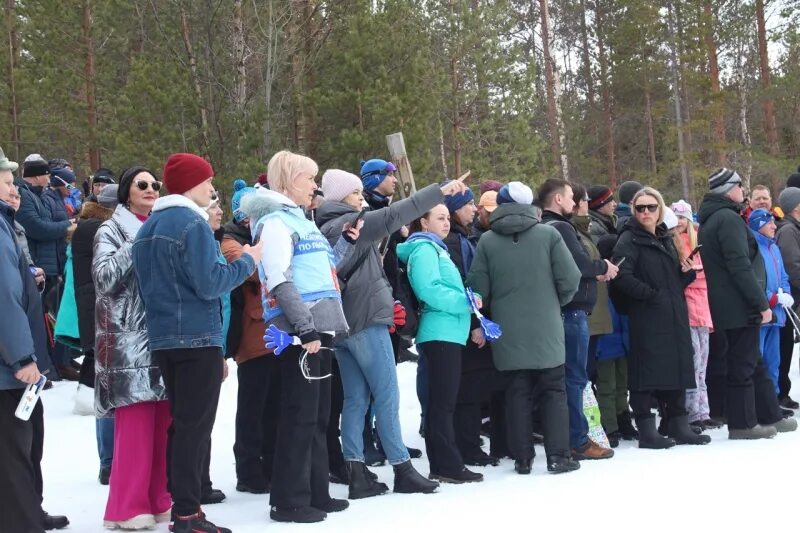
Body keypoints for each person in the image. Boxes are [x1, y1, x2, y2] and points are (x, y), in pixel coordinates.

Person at [133, 153, 261, 533]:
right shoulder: (192, 223)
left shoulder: (149, 226)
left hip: (164, 339)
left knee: (183, 424)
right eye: (207, 182)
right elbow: (210, 283)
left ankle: (184, 506)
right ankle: (187, 513)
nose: (212, 188)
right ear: (190, 184)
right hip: (196, 338)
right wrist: (248, 261)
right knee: (193, 427)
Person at [239, 150, 358, 524]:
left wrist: (347, 245)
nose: (315, 186)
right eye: (310, 178)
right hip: (301, 332)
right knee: (299, 414)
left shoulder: (301, 220)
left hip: (321, 326)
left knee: (319, 414)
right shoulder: (275, 221)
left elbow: (323, 271)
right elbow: (277, 276)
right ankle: (288, 500)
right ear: (290, 180)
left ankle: (315, 492)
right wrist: (304, 327)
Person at [317, 168, 451, 497]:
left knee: (356, 399)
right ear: (341, 197)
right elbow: (394, 214)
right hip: (365, 321)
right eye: (355, 193)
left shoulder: (325, 226)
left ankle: (357, 472)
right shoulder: (353, 222)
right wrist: (438, 192)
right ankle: (402, 468)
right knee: (387, 395)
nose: (361, 198)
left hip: (344, 327)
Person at [467, 182, 581, 475]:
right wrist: (555, 302)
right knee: (553, 391)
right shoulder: (548, 234)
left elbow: (479, 289)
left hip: (508, 330)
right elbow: (570, 278)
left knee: (517, 392)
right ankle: (558, 455)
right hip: (547, 326)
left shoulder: (487, 241)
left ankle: (522, 458)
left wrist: (494, 310)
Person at [94, 167, 171, 530]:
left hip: (164, 336)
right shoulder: (111, 229)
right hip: (127, 341)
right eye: (142, 184)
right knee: (137, 426)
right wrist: (137, 242)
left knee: (163, 425)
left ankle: (158, 498)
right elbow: (104, 277)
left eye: (155, 184)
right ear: (127, 191)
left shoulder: (161, 225)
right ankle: (126, 506)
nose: (150, 189)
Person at [697, 168, 795, 439]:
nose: (744, 190)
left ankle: (768, 414)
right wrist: (760, 302)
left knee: (754, 360)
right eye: (740, 185)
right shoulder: (727, 219)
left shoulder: (718, 218)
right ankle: (742, 424)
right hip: (738, 304)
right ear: (729, 189)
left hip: (730, 302)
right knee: (743, 364)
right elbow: (739, 266)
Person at [0, 147, 69, 533]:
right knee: (14, 456)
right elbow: (2, 301)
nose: (15, 191)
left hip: (15, 367)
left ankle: (29, 512)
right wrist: (22, 357)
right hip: (10, 370)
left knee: (26, 445)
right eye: (9, 183)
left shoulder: (6, 224)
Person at [611, 187, 710, 448]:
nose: (645, 212)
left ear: (659, 209)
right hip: (647, 316)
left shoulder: (666, 237)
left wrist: (685, 273)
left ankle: (679, 423)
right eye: (640, 208)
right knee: (646, 373)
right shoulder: (628, 239)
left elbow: (672, 280)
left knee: (678, 366)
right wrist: (650, 295)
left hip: (673, 313)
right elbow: (621, 276)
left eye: (651, 207)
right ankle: (647, 430)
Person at [396, 204, 482, 484]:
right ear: (424, 222)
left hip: (448, 331)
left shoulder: (435, 248)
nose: (446, 223)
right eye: (440, 218)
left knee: (442, 402)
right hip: (439, 331)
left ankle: (444, 463)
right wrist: (464, 302)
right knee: (442, 404)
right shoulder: (424, 250)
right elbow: (429, 289)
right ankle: (447, 465)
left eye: (447, 218)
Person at [540, 179, 616, 460]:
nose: (575, 202)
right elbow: (579, 264)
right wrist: (603, 266)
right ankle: (578, 440)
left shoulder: (545, 227)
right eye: (571, 197)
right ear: (558, 199)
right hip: (571, 312)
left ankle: (568, 438)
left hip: (564, 311)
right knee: (574, 377)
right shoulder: (560, 227)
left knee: (565, 378)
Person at [220, 179, 280, 495]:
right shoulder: (231, 242)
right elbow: (258, 270)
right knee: (253, 406)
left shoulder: (253, 239)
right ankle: (248, 468)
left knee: (273, 404)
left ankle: (269, 464)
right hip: (253, 334)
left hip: (272, 333)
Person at [440, 183, 499, 467]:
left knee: (471, 388)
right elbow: (465, 285)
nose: (473, 209)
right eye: (467, 205)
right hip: (464, 326)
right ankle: (468, 446)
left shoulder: (461, 238)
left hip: (467, 323)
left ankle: (469, 443)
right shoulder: (453, 242)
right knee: (469, 390)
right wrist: (477, 324)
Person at [15, 155, 78, 380]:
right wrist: (67, 226)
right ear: (38, 175)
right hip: (39, 266)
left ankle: (57, 362)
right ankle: (47, 366)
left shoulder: (38, 195)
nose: (49, 177)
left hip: (51, 265)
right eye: (46, 174)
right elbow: (37, 228)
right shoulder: (24, 195)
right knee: (42, 321)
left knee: (54, 318)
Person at [72, 184, 118, 484]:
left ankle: (110, 460)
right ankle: (108, 461)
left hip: (98, 317)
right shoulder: (97, 229)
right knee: (108, 392)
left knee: (107, 389)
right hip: (101, 318)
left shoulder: (89, 227)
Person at [670, 200, 718, 431]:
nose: (680, 223)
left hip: (702, 309)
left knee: (703, 363)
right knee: (693, 361)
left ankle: (703, 410)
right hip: (687, 307)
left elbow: (706, 276)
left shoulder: (698, 242)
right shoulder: (674, 244)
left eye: (683, 218)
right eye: (676, 218)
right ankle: (691, 413)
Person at [748, 208, 792, 398]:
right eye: (770, 223)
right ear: (759, 225)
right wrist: (771, 298)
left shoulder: (773, 247)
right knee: (759, 361)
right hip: (761, 314)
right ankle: (759, 403)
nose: (775, 226)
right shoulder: (752, 248)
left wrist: (786, 294)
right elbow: (753, 280)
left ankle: (772, 401)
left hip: (777, 314)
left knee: (774, 361)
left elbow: (783, 275)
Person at [775, 186, 800, 410]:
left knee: (787, 348)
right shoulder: (788, 231)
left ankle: (783, 392)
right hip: (789, 303)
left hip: (793, 301)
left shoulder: (794, 228)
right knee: (783, 348)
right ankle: (780, 393)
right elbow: (792, 267)